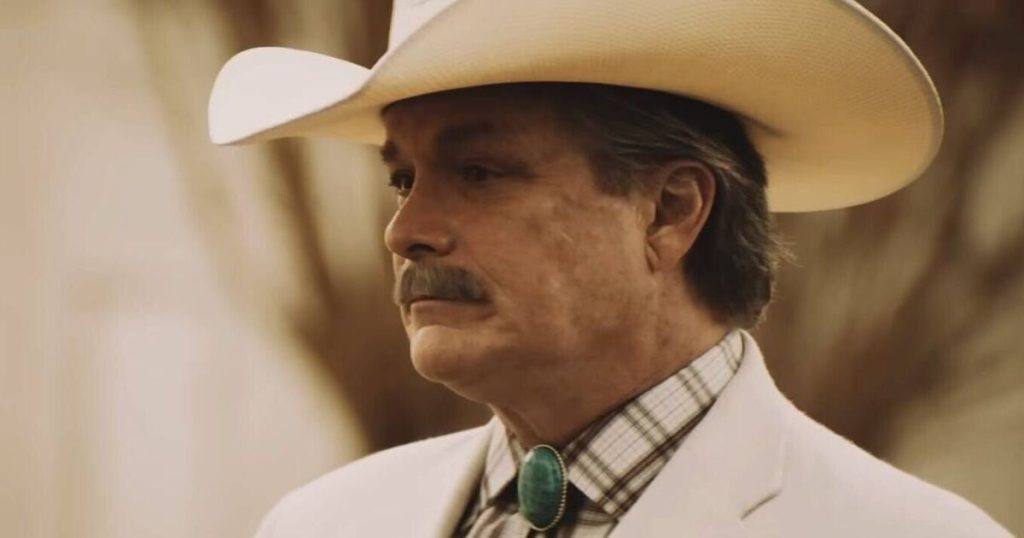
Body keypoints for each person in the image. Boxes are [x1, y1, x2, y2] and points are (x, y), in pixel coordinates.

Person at [208, 1, 1012, 536]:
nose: (405, 231)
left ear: (669, 212)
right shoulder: (321, 525)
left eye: (478, 172)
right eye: (403, 179)